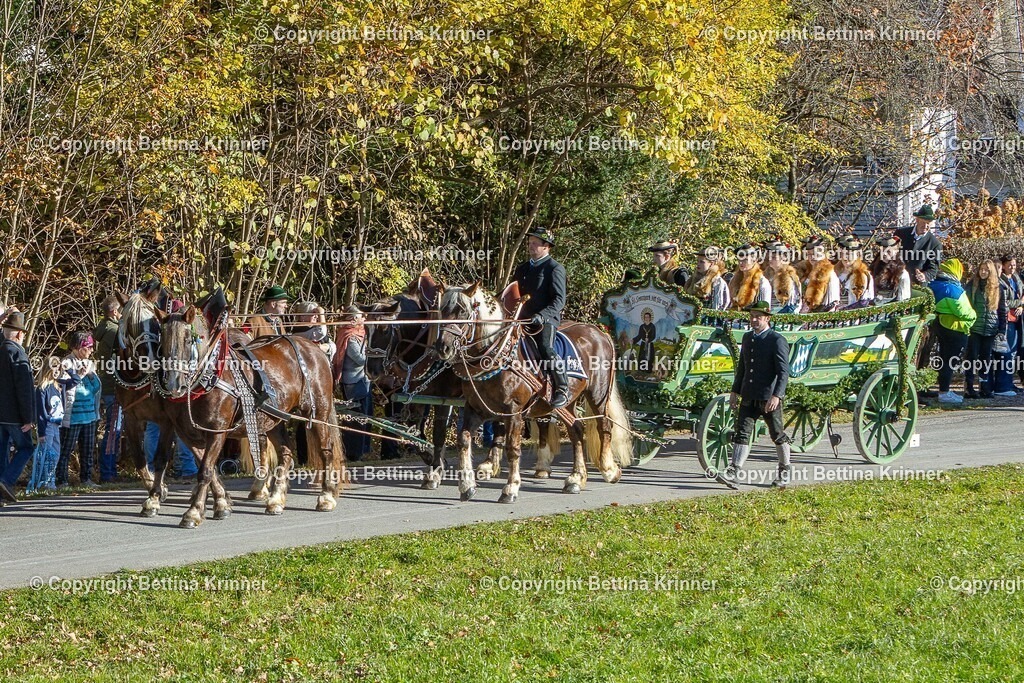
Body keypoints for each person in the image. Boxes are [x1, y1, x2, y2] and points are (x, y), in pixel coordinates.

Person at [720, 301, 792, 489]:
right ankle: (734, 471)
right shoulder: (747, 338)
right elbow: (742, 367)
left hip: (768, 398)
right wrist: (735, 390)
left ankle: (784, 471)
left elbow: (783, 372)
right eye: (751, 316)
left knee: (777, 434)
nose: (753, 320)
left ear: (767, 318)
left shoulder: (776, 340)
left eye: (757, 317)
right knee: (742, 433)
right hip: (749, 394)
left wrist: (777, 396)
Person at [512, 227, 569, 408]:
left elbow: (559, 300)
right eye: (530, 243)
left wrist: (542, 316)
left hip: (545, 320)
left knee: (546, 348)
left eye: (535, 243)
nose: (531, 246)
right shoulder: (522, 268)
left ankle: (562, 388)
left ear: (546, 246)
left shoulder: (555, 268)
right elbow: (512, 292)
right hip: (520, 319)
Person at [927, 259, 977, 404]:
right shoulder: (952, 289)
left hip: (941, 326)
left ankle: (944, 389)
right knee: (950, 361)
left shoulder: (933, 284)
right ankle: (944, 392)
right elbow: (963, 311)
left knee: (944, 359)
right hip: (955, 328)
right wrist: (974, 316)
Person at [0, 312, 37, 505]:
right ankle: (6, 481)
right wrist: (28, 418)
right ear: (20, 335)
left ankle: (1, 493)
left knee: (1, 451)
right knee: (26, 448)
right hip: (14, 414)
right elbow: (24, 389)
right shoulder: (18, 353)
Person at [57, 331, 102, 487]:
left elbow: (96, 387)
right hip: (73, 416)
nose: (91, 351)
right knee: (66, 449)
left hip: (89, 414)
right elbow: (63, 387)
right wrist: (80, 375)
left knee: (88, 449)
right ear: (77, 347)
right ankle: (61, 480)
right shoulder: (66, 364)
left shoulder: (90, 364)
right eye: (88, 347)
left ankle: (86, 479)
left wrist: (90, 374)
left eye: (91, 347)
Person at [964, 260, 1007, 399]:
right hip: (975, 328)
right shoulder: (971, 286)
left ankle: (985, 388)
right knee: (971, 358)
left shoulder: (998, 288)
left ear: (991, 272)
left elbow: (1002, 311)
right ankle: (969, 388)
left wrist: (1001, 329)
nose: (983, 272)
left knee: (985, 360)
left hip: (990, 329)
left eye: (986, 270)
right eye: (981, 269)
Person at [26, 357, 68, 494]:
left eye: (58, 368)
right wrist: (42, 432)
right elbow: (41, 413)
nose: (57, 370)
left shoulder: (58, 386)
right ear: (48, 369)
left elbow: (75, 380)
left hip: (57, 425)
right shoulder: (42, 388)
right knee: (46, 454)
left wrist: (65, 369)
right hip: (47, 425)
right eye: (54, 367)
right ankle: (42, 482)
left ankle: (51, 480)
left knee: (55, 453)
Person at [335, 305, 372, 460]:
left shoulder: (362, 334)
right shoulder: (349, 336)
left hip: (364, 380)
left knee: (367, 415)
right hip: (353, 382)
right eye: (360, 317)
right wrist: (373, 355)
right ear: (353, 319)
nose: (363, 319)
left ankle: (363, 450)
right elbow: (359, 359)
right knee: (356, 418)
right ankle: (353, 453)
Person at [93, 295, 122, 482]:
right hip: (113, 386)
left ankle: (109, 470)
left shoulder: (103, 328)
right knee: (113, 431)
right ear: (113, 312)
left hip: (105, 384)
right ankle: (107, 472)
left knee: (111, 431)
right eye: (120, 310)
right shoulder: (113, 331)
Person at [995, 255, 1024, 394]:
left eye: (1014, 264)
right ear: (1004, 265)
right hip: (1007, 320)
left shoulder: (1016, 278)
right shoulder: (1001, 281)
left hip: (1017, 320)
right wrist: (1020, 303)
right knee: (1006, 352)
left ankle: (1009, 382)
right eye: (1009, 265)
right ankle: (1003, 384)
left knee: (1013, 353)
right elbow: (1005, 302)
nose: (1012, 267)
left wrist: (1021, 306)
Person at [895, 204, 943, 284]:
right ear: (917, 220)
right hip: (897, 279)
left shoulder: (935, 243)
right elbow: (891, 253)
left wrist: (924, 275)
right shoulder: (901, 233)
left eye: (928, 223)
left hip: (917, 284)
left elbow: (933, 268)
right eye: (923, 222)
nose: (925, 226)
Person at [796, 235, 841, 312]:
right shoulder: (806, 272)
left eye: (815, 253)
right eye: (809, 254)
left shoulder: (829, 274)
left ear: (823, 254)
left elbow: (832, 303)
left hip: (821, 315)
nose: (812, 257)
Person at [834, 234, 874, 308]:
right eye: (844, 254)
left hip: (852, 316)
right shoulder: (834, 273)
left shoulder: (863, 275)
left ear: (857, 256)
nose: (846, 258)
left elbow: (864, 302)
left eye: (850, 254)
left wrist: (844, 311)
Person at [761, 239, 801, 313]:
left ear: (783, 259)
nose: (770, 259)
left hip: (783, 313)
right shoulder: (767, 274)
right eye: (770, 256)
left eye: (774, 257)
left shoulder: (788, 276)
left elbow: (791, 302)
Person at [728, 243, 772, 311]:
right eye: (739, 259)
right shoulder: (734, 281)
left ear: (754, 260)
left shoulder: (761, 282)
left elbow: (763, 310)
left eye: (745, 260)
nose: (740, 263)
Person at [871, 233, 912, 304]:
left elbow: (903, 300)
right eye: (882, 251)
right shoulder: (875, 267)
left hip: (890, 308)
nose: (884, 254)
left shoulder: (902, 273)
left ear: (896, 252)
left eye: (888, 252)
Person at [632, 309, 657, 374]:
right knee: (641, 357)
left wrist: (649, 340)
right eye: (645, 317)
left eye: (648, 317)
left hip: (649, 345)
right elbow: (639, 335)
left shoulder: (652, 326)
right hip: (643, 344)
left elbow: (653, 336)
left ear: (650, 318)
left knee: (649, 358)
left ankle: (648, 372)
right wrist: (634, 340)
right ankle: (641, 372)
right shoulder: (642, 326)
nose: (646, 318)